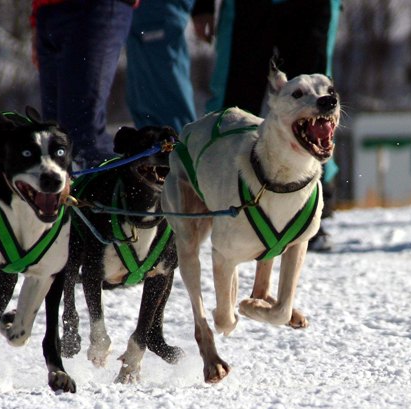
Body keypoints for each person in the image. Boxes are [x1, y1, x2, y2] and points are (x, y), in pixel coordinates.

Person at [198, 0, 342, 251]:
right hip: (248, 8)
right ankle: (215, 203)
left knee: (319, 105)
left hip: (311, 8)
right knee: (232, 111)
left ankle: (312, 212)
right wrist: (202, 6)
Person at [31, 0, 137, 169]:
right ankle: (70, 194)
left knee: (82, 137)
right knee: (54, 138)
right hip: (47, 11)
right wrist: (37, 21)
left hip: (95, 8)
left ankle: (103, 194)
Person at [125, 0, 211, 133]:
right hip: (140, 9)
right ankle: (155, 143)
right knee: (143, 93)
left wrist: (203, 7)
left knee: (164, 98)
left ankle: (178, 144)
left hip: (156, 8)